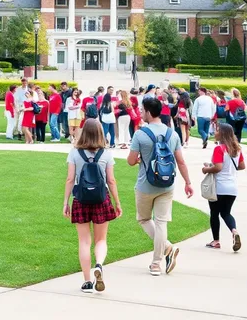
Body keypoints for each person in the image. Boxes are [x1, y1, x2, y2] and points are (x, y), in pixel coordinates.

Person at [127, 98, 194, 276]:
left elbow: (131, 161)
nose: (141, 113)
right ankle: (157, 263)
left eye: (142, 110)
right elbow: (180, 161)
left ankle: (167, 249)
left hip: (145, 185)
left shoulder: (140, 134)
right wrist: (188, 182)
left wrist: (141, 159)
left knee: (144, 219)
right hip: (167, 185)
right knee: (161, 222)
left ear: (149, 112)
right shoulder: (172, 134)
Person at [63, 119, 122, 293]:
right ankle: (99, 264)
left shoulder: (74, 153)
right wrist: (117, 202)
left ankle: (87, 281)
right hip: (101, 199)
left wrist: (66, 202)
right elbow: (111, 180)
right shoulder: (106, 154)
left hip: (80, 199)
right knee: (101, 240)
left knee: (84, 241)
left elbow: (70, 179)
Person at [201, 123, 246, 252]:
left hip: (219, 187)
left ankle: (216, 241)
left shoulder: (219, 149)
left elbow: (218, 168)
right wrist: (229, 168)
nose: (215, 133)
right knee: (226, 213)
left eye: (217, 131)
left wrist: (206, 169)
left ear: (222, 134)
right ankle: (234, 230)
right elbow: (242, 166)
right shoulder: (236, 149)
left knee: (214, 213)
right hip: (232, 188)